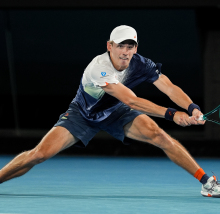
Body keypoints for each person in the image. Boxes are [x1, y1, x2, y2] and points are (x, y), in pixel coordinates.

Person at [0, 25, 219, 197]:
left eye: (130, 46)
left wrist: (192, 107)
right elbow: (132, 101)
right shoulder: (99, 68)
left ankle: (206, 182)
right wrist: (172, 114)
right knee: (39, 155)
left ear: (136, 47)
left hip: (116, 111)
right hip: (82, 115)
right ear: (109, 46)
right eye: (120, 46)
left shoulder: (141, 63)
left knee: (159, 135)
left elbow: (169, 87)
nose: (125, 52)